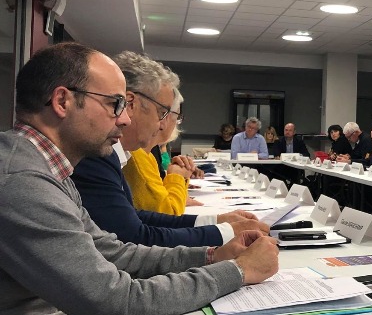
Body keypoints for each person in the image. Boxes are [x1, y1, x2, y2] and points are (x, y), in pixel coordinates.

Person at [0, 43, 278, 314]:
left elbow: (115, 253)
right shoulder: (23, 182)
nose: (124, 119)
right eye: (114, 104)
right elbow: (117, 301)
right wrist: (239, 270)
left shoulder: (48, 169)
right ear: (63, 101)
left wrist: (214, 255)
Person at [73, 51, 268, 248]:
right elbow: (134, 235)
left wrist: (218, 222)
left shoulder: (111, 155)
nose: (162, 125)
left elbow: (136, 218)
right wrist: (225, 234)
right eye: (162, 113)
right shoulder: (96, 154)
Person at [123, 85, 190, 215]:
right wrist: (177, 176)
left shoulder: (148, 156)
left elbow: (161, 197)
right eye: (177, 117)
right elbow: (169, 214)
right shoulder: (137, 156)